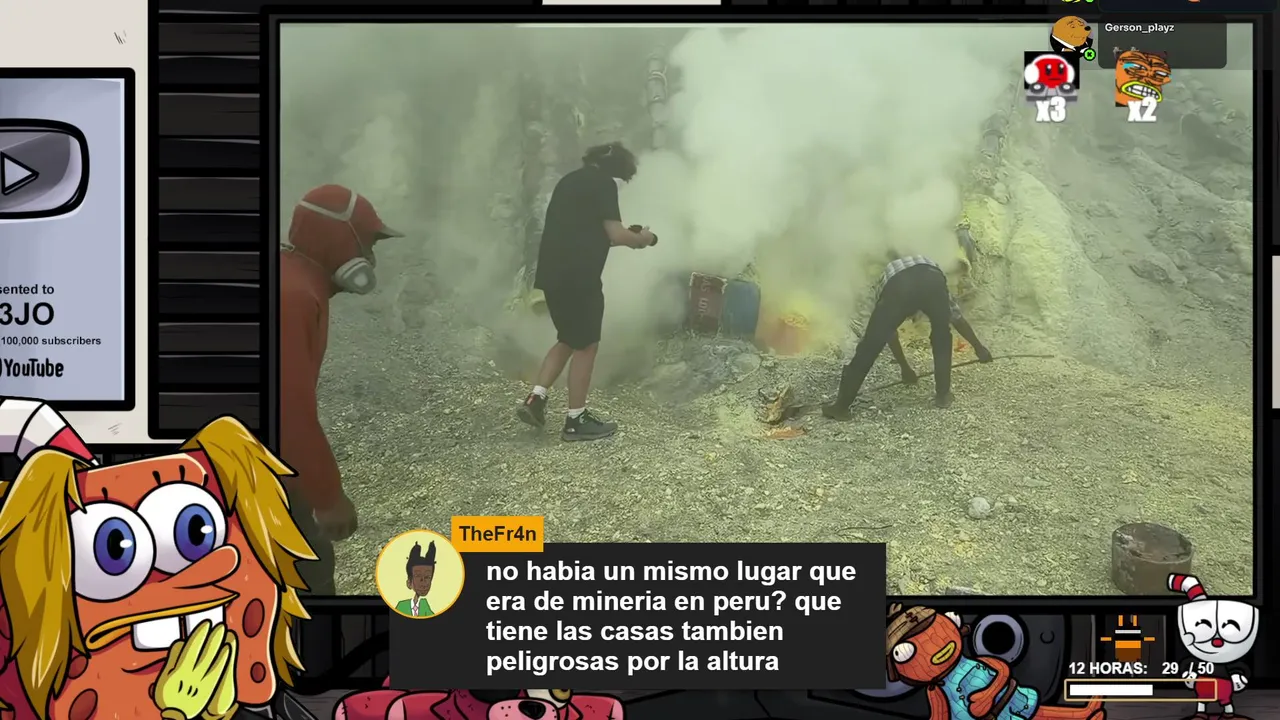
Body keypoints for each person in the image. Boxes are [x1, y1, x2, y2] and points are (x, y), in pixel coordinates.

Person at [281, 183, 403, 594]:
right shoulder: (294, 295)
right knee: (309, 576)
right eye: (368, 243)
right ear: (338, 238)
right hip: (253, 475)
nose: (370, 257)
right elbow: (288, 412)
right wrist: (327, 495)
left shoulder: (294, 279)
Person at [517, 141, 656, 441]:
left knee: (568, 337)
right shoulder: (603, 184)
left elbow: (587, 233)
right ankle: (576, 419)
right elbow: (616, 234)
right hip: (580, 278)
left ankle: (535, 398)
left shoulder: (568, 181)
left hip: (552, 275)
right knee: (587, 344)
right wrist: (643, 238)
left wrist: (624, 237)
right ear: (616, 170)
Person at [823, 255, 992, 420]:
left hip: (898, 284)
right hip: (932, 278)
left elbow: (888, 332)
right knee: (942, 334)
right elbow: (957, 318)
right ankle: (943, 395)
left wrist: (904, 368)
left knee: (870, 345)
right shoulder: (931, 272)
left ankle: (841, 407)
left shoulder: (884, 281)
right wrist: (979, 348)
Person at [395, 542, 437, 618]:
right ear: (409, 583)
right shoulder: (401, 606)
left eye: (427, 577)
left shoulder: (425, 604)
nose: (424, 583)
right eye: (418, 576)